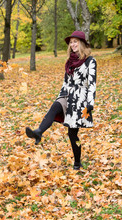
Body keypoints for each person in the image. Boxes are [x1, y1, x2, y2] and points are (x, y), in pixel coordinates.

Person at [26, 31, 97, 170]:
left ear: (82, 43)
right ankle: (39, 132)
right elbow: (65, 82)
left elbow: (92, 84)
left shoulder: (90, 61)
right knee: (54, 107)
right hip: (67, 95)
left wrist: (90, 104)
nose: (73, 44)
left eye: (75, 41)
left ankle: (77, 162)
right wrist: (60, 97)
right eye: (71, 42)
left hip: (80, 100)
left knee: (72, 134)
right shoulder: (69, 62)